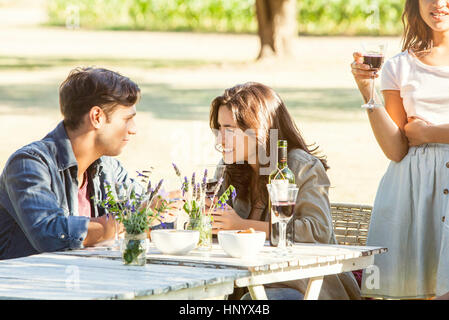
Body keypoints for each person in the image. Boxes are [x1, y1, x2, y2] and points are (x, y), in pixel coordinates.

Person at [0, 67, 176, 260]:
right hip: (28, 286)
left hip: (88, 282)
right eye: (127, 119)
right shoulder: (29, 164)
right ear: (96, 117)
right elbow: (50, 235)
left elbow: (152, 215)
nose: (133, 129)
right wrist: (132, 219)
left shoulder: (109, 168)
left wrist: (179, 209)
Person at [208, 82, 361, 300]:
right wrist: (205, 220)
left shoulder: (301, 167)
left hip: (304, 287)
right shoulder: (228, 169)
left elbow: (317, 231)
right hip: (249, 286)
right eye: (219, 129)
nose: (220, 140)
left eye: (229, 130)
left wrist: (242, 226)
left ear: (258, 130)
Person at [351, 0, 449, 299]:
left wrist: (427, 132)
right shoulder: (398, 66)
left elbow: (415, 133)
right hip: (412, 193)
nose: (438, 3)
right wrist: (367, 90)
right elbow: (396, 149)